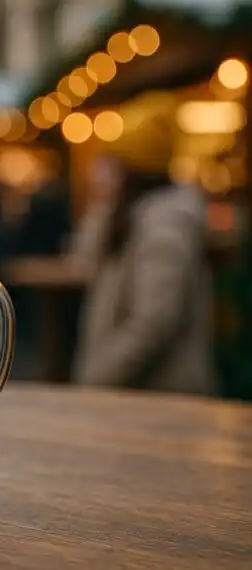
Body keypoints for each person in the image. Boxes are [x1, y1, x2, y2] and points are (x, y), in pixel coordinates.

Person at [71, 99, 215, 394]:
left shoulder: (164, 223)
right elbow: (83, 259)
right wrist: (103, 206)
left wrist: (97, 376)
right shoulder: (129, 217)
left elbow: (155, 321)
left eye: (107, 163)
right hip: (137, 394)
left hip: (163, 396)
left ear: (129, 170)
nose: (96, 171)